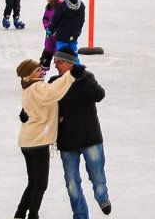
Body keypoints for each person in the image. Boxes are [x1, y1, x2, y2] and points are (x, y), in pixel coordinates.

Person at [15, 56, 77, 219]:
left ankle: (20, 214)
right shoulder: (38, 87)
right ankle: (33, 215)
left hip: (27, 141)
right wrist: (70, 75)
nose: (41, 71)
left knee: (33, 183)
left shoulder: (28, 89)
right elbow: (54, 92)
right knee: (41, 184)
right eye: (37, 70)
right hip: (38, 142)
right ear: (28, 75)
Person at [51, 49, 110, 219]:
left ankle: (102, 197)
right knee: (72, 184)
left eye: (59, 62)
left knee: (97, 175)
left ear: (70, 63)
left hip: (90, 138)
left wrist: (83, 76)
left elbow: (99, 95)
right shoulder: (54, 82)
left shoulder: (86, 78)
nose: (55, 65)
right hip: (67, 141)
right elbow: (43, 101)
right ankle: (80, 215)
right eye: (55, 61)